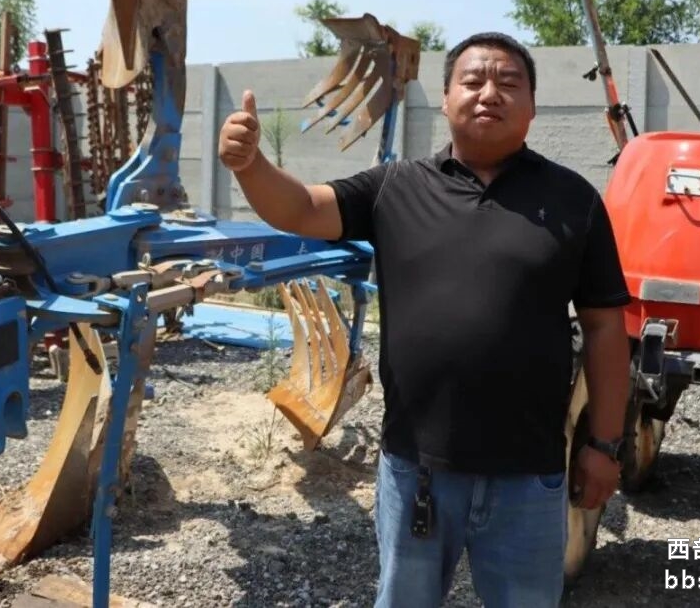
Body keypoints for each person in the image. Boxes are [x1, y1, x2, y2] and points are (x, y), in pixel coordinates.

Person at [218, 31, 631, 607]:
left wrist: (604, 445)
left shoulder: (574, 201)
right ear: (445, 99)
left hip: (529, 476)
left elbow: (606, 328)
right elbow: (303, 209)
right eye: (473, 80)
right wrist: (251, 165)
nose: (490, 93)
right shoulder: (396, 188)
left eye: (509, 83)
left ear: (533, 106)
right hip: (417, 471)